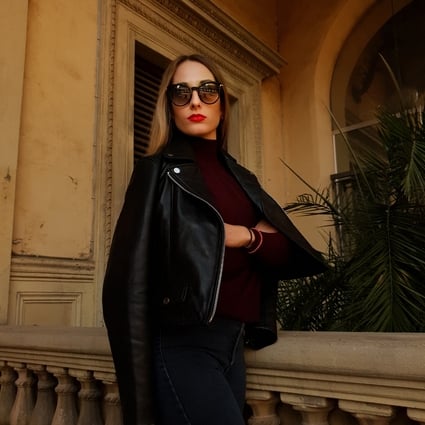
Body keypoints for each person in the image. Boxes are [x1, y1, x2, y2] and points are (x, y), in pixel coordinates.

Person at [102, 53, 326, 425]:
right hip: (183, 344)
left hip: (235, 345)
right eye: (182, 93)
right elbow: (125, 285)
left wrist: (244, 236)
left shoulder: (242, 179)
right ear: (170, 107)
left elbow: (289, 252)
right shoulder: (156, 173)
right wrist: (137, 393)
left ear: (222, 106)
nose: (195, 101)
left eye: (207, 91)